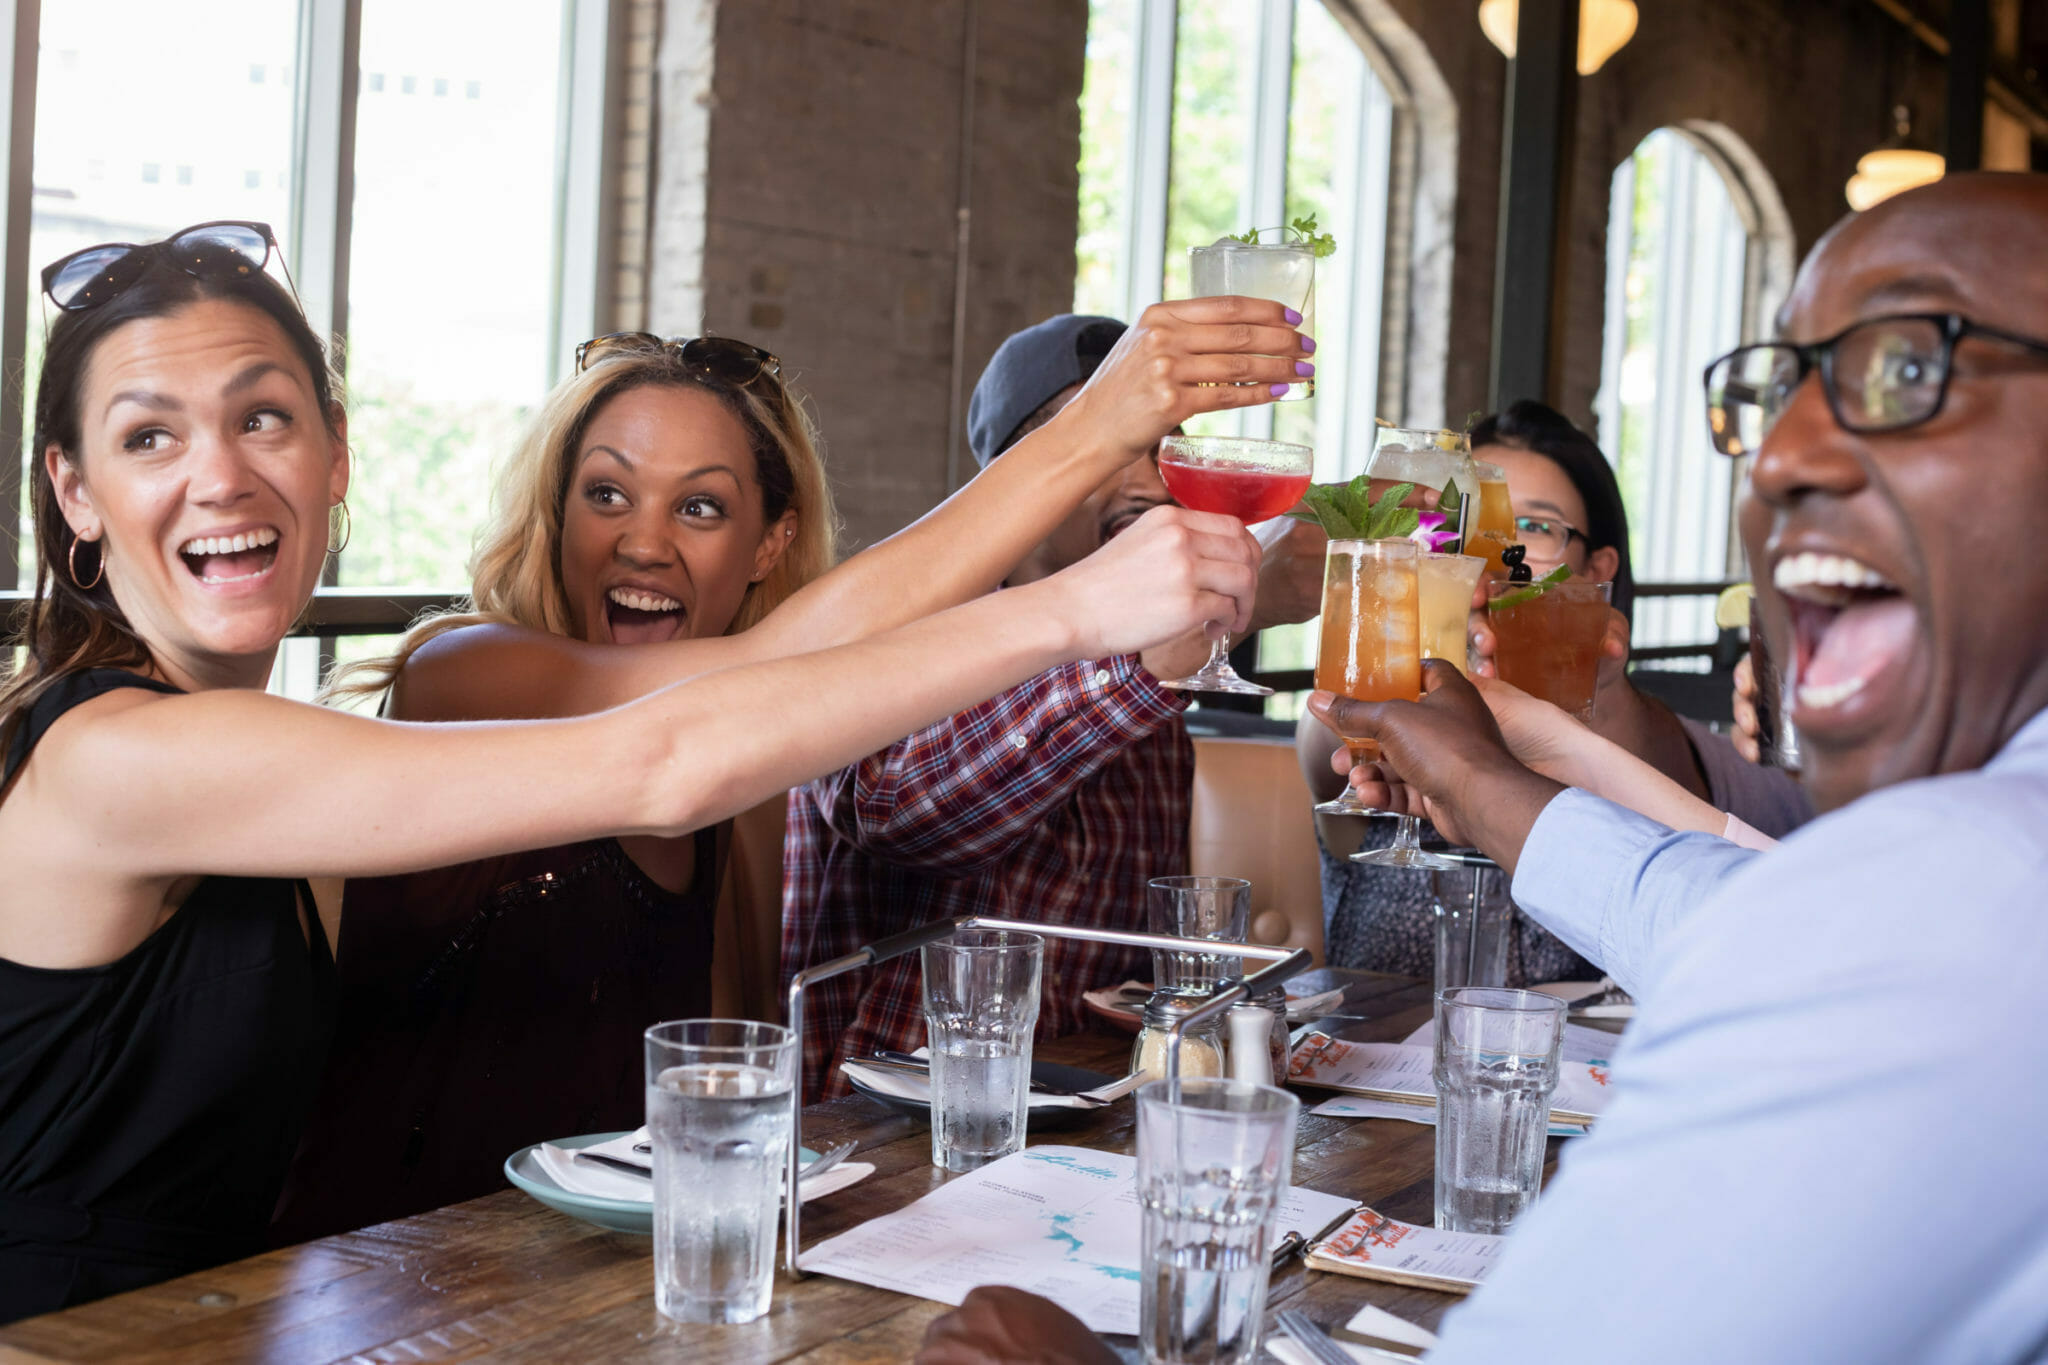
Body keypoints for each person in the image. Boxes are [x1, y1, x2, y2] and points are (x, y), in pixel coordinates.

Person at [0, 223, 1286, 1321]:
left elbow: (754, 679)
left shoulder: (258, 751)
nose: (221, 471)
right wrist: (1077, 597)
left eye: (260, 417)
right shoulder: (125, 754)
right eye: (150, 439)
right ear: (76, 492)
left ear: (335, 460)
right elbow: (666, 755)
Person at [276, 301, 1311, 1237]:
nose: (642, 543)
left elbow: (724, 1063)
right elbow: (765, 698)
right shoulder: (468, 669)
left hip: (628, 1266)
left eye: (699, 508)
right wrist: (1100, 459)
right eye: (605, 494)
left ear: (768, 544)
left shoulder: (751, 774)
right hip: (388, 1274)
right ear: (554, 514)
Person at [1306, 172, 2048, 1362]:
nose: (1781, 457)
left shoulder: (1980, 881)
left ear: (1602, 578)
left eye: (1909, 369)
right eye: (1779, 390)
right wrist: (1508, 766)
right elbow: (1779, 925)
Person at [781, 313, 1327, 1099]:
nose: (1149, 484)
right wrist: (1137, 667)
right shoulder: (902, 616)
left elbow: (1124, 964)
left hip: (1080, 1116)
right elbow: (896, 811)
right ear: (1017, 477)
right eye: (1112, 450)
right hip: (878, 1121)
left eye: (1163, 447)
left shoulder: (1160, 663)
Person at [1295, 400, 1809, 983]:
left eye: (1534, 528)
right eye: (1472, 521)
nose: (1495, 554)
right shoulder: (1401, 722)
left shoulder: (1677, 745)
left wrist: (1602, 692)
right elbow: (1324, 750)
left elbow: (1699, 836)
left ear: (1596, 570)